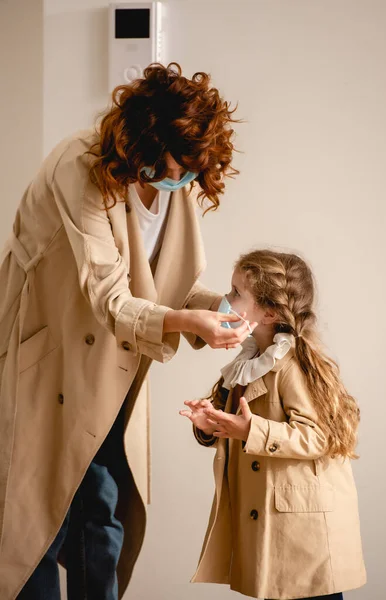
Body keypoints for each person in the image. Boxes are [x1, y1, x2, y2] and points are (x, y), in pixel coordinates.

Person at [0, 62, 256, 600]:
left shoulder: (175, 180)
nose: (185, 180)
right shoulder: (80, 167)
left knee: (107, 509)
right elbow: (109, 295)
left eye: (193, 169)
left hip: (114, 364)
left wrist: (223, 310)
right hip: (50, 355)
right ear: (141, 143)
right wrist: (190, 321)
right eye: (178, 167)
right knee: (35, 522)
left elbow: (169, 286)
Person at [180, 249, 366, 600]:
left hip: (304, 527)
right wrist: (210, 423)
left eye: (236, 293)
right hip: (273, 520)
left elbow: (322, 436)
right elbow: (237, 425)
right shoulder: (249, 360)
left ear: (268, 312)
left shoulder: (294, 365)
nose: (226, 300)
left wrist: (251, 431)